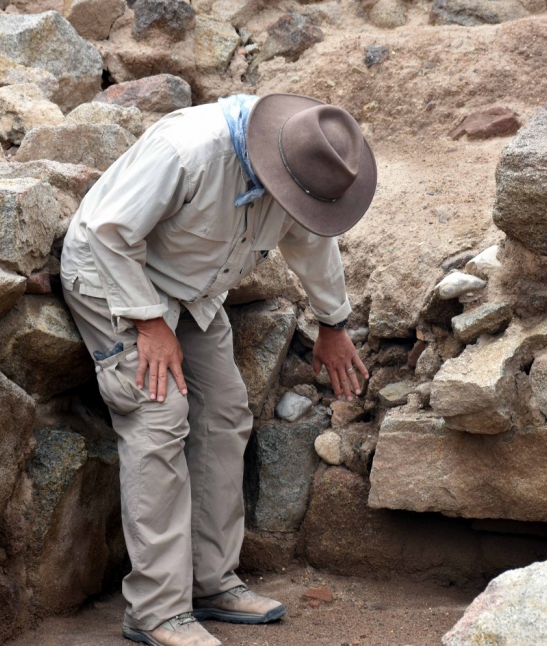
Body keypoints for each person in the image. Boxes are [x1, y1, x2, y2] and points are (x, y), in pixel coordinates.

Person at [60, 93, 377, 646]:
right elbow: (107, 233)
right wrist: (147, 323)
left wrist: (333, 323)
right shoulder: (188, 151)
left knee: (225, 412)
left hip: (192, 292)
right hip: (116, 280)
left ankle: (211, 581)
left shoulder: (306, 165)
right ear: (267, 160)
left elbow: (311, 239)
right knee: (158, 416)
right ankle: (156, 610)